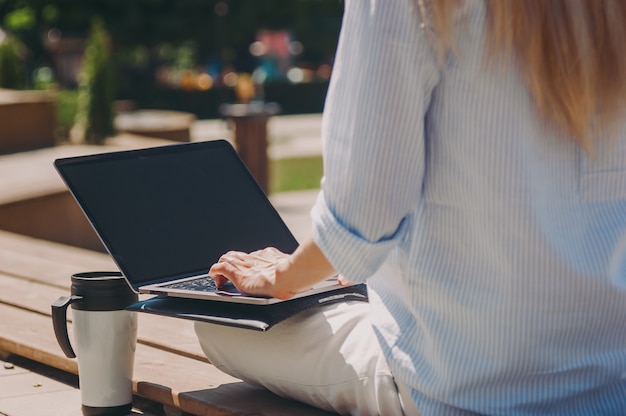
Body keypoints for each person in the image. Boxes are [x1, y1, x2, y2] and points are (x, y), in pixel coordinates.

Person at [194, 0, 626, 414]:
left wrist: (280, 275)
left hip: (456, 385)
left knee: (218, 324)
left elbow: (361, 216)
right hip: (609, 375)